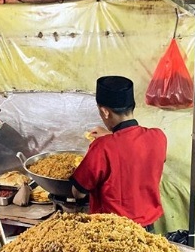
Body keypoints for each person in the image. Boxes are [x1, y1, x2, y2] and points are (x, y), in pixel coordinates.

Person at [70, 75, 167, 232]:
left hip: (112, 233)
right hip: (148, 231)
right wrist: (111, 137)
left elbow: (78, 193)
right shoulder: (158, 137)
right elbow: (133, 153)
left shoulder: (102, 147)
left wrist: (108, 140)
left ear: (105, 112)